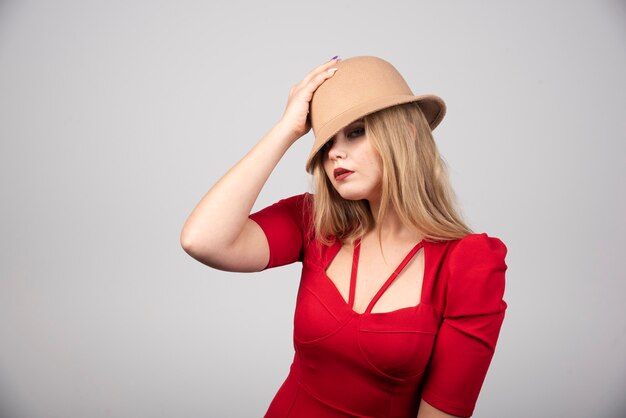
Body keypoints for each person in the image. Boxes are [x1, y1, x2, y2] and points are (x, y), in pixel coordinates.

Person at [180, 55, 508, 418]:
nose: (334, 152)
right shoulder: (315, 222)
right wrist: (287, 129)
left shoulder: (469, 263)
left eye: (355, 131)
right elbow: (202, 239)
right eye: (326, 143)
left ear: (407, 134)